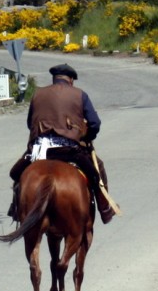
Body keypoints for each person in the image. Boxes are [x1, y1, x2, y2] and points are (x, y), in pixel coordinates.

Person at [8, 62, 118, 224]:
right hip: (69, 149)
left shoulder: (38, 94)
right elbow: (95, 123)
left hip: (39, 150)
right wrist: (87, 137)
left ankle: (16, 209)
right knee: (96, 171)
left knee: (16, 174)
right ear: (71, 80)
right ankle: (105, 209)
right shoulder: (80, 94)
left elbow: (30, 123)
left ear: (54, 79)